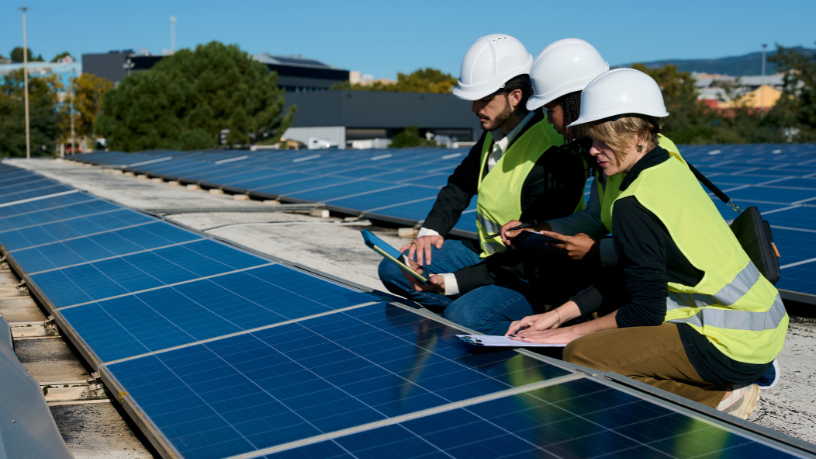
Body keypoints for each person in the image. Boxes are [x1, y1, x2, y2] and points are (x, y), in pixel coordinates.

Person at [506, 68, 789, 419]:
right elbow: (630, 272)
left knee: (582, 354)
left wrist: (566, 334)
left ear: (638, 134)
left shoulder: (633, 203)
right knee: (593, 336)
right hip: (763, 326)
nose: (592, 150)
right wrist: (556, 316)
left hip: (732, 343)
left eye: (603, 140)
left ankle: (722, 396)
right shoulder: (668, 164)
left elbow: (645, 311)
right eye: (591, 139)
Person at [377, 34, 587, 333]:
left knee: (466, 316)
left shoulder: (554, 154)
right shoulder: (495, 132)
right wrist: (429, 234)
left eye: (484, 99)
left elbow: (531, 254)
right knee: (395, 267)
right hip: (490, 258)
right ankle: (472, 311)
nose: (475, 107)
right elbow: (460, 185)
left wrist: (453, 282)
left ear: (515, 97)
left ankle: (538, 324)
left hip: (534, 273)